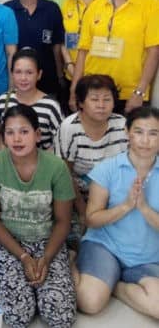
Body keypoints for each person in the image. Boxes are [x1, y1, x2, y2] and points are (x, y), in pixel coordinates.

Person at [0, 104, 76, 328]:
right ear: (3, 137)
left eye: (24, 131)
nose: (17, 139)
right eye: (10, 133)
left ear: (37, 134)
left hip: (46, 241)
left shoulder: (56, 167)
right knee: (16, 317)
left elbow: (62, 221)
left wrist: (47, 258)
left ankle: (64, 260)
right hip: (5, 242)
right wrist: (23, 257)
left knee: (60, 318)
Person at [73, 106, 159, 320]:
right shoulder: (107, 168)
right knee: (89, 302)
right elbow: (92, 219)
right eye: (139, 132)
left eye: (153, 133)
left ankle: (116, 286)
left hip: (147, 257)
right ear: (127, 133)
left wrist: (144, 209)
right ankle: (76, 260)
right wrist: (126, 206)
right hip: (106, 246)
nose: (145, 140)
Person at [70, 0, 159, 114]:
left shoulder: (150, 5)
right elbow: (82, 52)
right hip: (93, 92)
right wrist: (74, 89)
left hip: (130, 93)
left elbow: (154, 52)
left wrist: (139, 91)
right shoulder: (95, 5)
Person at [55, 74, 128, 245]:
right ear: (81, 103)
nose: (101, 106)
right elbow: (65, 174)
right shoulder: (69, 127)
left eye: (107, 99)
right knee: (77, 237)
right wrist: (83, 211)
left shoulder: (122, 125)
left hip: (114, 192)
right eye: (94, 99)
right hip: (78, 192)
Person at [4, 0, 65, 96]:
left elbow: (56, 45)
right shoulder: (7, 9)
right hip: (17, 80)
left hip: (47, 78)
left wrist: (60, 74)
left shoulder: (52, 9)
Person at [0, 48, 62, 151]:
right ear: (12, 73)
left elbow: (60, 140)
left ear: (39, 74)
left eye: (29, 72)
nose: (23, 78)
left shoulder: (51, 106)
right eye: (18, 72)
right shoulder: (3, 101)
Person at [61, 0, 108, 86]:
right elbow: (62, 38)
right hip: (72, 75)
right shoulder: (67, 2)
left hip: (103, 78)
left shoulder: (108, 0)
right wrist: (69, 64)